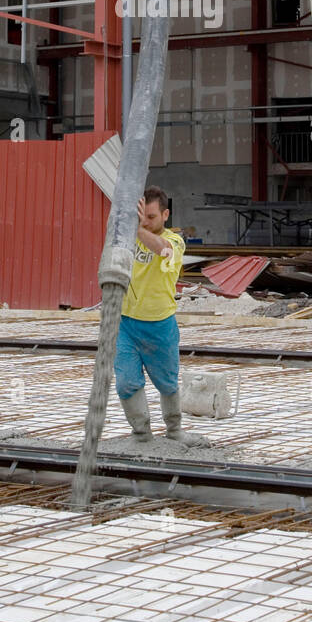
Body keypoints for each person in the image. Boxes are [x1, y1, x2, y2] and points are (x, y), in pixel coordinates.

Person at [114, 186, 207, 447]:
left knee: (167, 383)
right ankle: (142, 435)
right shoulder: (130, 237)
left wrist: (136, 228)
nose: (145, 221)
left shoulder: (175, 241)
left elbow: (161, 248)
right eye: (142, 216)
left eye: (151, 217)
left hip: (160, 325)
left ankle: (174, 431)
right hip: (126, 323)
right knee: (126, 382)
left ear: (166, 215)